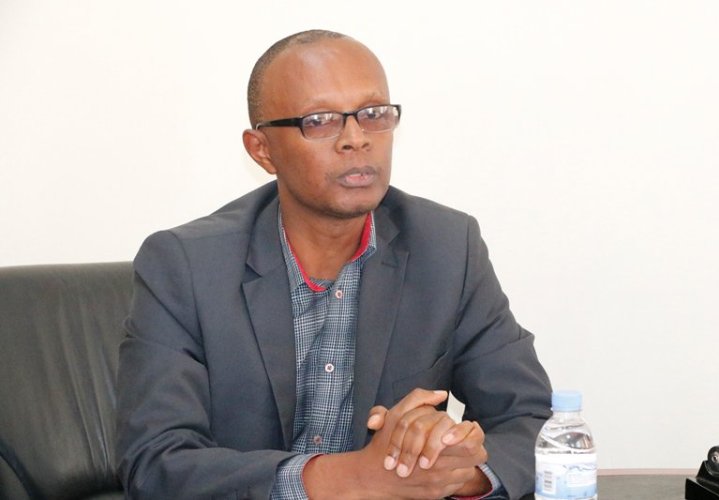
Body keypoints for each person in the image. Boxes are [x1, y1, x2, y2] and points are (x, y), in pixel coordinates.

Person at [115, 29, 552, 500]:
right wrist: (354, 478)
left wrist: (452, 470)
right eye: (320, 121)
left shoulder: (446, 248)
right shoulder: (185, 267)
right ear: (262, 150)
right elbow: (154, 462)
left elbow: (532, 421)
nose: (356, 139)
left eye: (374, 114)